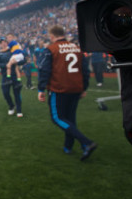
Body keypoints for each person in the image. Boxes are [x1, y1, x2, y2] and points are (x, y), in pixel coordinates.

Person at [37, 25, 97, 161]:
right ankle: (68, 146)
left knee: (57, 118)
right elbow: (85, 70)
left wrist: (41, 89)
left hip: (59, 88)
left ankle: (86, 142)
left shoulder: (51, 49)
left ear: (52, 36)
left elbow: (44, 70)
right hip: (75, 88)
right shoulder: (77, 48)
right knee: (70, 118)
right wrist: (84, 88)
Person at [0, 38, 23, 117]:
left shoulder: (13, 51)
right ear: (0, 44)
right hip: (5, 76)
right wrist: (6, 65)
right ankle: (11, 106)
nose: (3, 43)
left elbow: (22, 59)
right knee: (5, 93)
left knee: (16, 93)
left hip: (15, 75)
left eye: (5, 42)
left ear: (7, 43)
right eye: (2, 42)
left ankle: (19, 110)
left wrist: (16, 62)